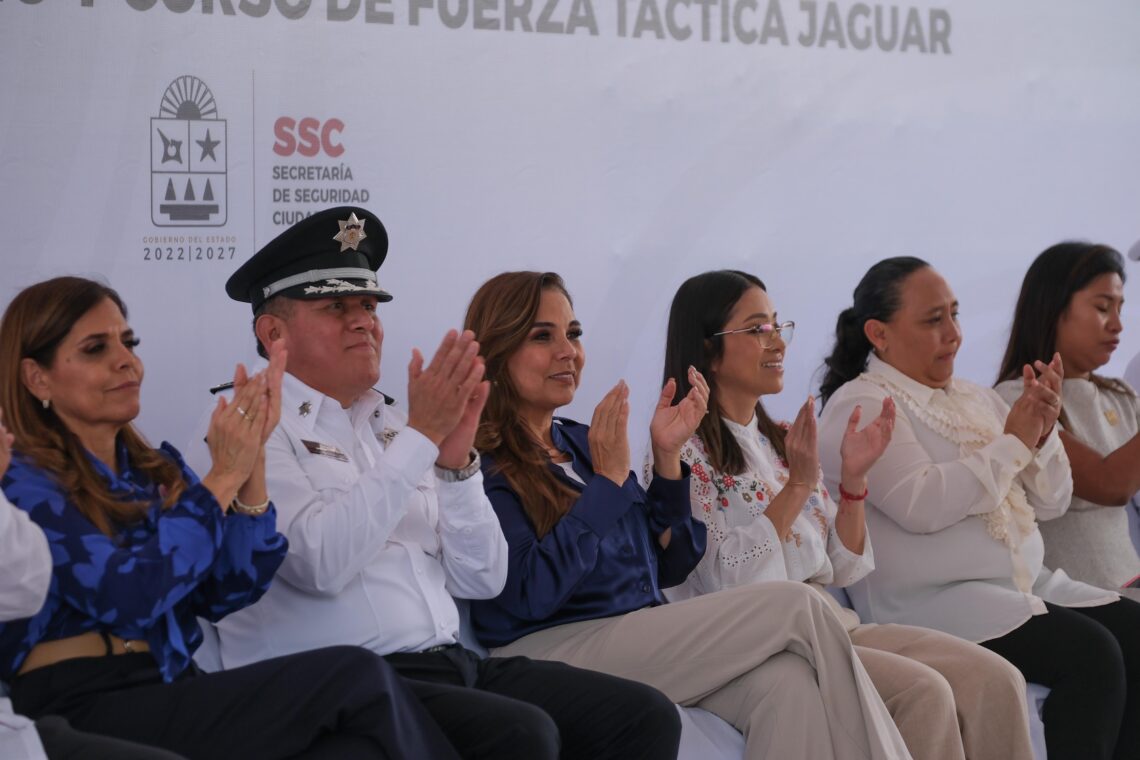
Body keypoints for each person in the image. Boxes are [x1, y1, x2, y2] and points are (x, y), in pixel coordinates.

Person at [192, 207, 682, 760]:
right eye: (336, 307)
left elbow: (483, 578)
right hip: (336, 687)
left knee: (642, 717)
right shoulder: (247, 423)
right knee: (520, 734)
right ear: (273, 332)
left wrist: (455, 468)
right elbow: (320, 565)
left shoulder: (394, 424)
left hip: (448, 663)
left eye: (369, 305)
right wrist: (421, 439)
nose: (363, 321)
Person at [0, 276, 462, 760]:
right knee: (357, 674)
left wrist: (251, 471)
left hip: (170, 684)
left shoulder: (153, 470)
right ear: (37, 378)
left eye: (128, 343)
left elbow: (226, 591)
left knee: (352, 749)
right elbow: (131, 595)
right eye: (96, 348)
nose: (125, 360)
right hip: (80, 699)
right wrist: (222, 477)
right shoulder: (24, 481)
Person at [463, 270, 912, 760]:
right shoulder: (482, 462)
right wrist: (608, 486)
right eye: (542, 337)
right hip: (549, 648)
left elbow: (671, 563)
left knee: (787, 684)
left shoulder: (581, 442)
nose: (568, 351)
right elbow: (527, 592)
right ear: (498, 351)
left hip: (635, 631)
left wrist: (668, 457)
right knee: (799, 607)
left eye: (573, 333)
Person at [660, 269, 1035, 760]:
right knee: (924, 693)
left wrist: (854, 483)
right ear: (708, 348)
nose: (778, 342)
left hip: (837, 625)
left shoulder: (783, 439)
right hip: (770, 643)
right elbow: (724, 581)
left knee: (996, 678)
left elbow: (843, 565)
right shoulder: (681, 452)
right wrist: (797, 485)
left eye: (777, 325)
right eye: (758, 329)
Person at [817, 256, 1140, 760]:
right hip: (932, 603)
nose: (954, 334)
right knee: (1091, 655)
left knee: (1135, 633)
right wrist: (1013, 443)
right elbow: (922, 504)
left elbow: (1052, 503)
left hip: (1023, 584)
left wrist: (1044, 434)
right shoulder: (862, 404)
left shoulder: (975, 397)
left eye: (955, 314)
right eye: (933, 320)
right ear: (879, 334)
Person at [996, 242, 1140, 600]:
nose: (1118, 324)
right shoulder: (1018, 399)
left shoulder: (1121, 395)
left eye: (1120, 308)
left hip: (1130, 584)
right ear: (1052, 308)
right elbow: (1110, 484)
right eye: (1103, 308)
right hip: (1078, 600)